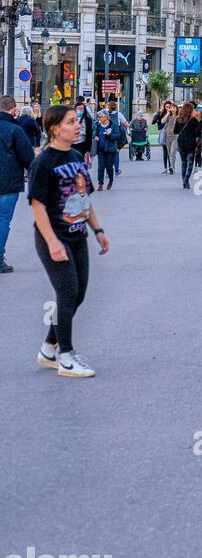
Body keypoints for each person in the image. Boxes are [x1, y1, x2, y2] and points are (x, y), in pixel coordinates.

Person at [29, 103, 108, 378]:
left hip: (78, 236)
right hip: (53, 237)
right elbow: (37, 206)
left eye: (77, 121)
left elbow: (84, 199)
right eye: (71, 122)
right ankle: (66, 357)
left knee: (79, 294)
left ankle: (49, 348)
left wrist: (98, 231)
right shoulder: (43, 162)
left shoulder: (76, 155)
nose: (77, 126)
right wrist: (52, 242)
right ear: (54, 128)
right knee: (67, 293)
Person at [0, 92, 36, 274]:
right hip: (7, 183)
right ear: (13, 110)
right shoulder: (15, 130)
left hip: (8, 182)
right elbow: (28, 158)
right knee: (3, 220)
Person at [175, 101, 200, 190]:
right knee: (190, 163)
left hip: (181, 143)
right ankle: (186, 180)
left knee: (183, 163)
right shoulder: (193, 120)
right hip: (190, 144)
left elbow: (175, 131)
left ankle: (184, 181)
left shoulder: (178, 119)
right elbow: (198, 132)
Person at [94, 111, 120, 190]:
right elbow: (94, 133)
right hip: (101, 149)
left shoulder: (113, 125)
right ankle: (100, 183)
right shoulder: (98, 126)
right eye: (98, 117)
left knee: (109, 167)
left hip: (110, 149)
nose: (99, 119)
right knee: (101, 167)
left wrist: (110, 135)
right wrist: (95, 136)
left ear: (106, 117)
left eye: (100, 117)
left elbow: (118, 135)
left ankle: (111, 181)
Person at [153, 101, 179, 174]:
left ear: (176, 109)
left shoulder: (178, 117)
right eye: (171, 107)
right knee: (168, 152)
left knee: (172, 152)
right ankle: (170, 167)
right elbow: (162, 121)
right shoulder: (168, 116)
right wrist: (167, 113)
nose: (172, 109)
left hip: (175, 136)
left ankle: (172, 167)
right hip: (167, 136)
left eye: (174, 107)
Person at [73, 97, 93, 162]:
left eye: (82, 109)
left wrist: (88, 150)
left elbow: (89, 134)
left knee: (80, 161)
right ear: (75, 109)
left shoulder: (87, 120)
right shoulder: (70, 118)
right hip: (71, 144)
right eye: (78, 108)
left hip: (82, 144)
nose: (80, 110)